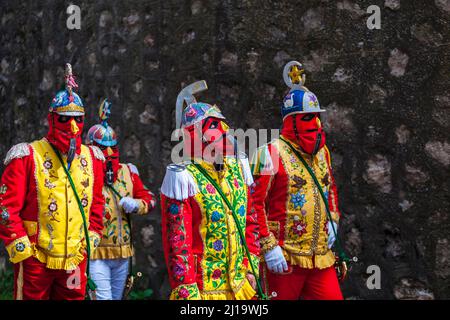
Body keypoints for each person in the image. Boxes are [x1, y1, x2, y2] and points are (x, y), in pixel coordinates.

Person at [0, 63, 105, 300]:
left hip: (75, 257)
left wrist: (92, 239)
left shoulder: (93, 159)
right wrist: (23, 250)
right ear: (52, 119)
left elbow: (98, 205)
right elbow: (6, 208)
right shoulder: (27, 156)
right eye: (65, 120)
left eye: (78, 119)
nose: (73, 127)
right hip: (36, 256)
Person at [251, 61, 344, 300]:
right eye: (306, 118)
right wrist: (268, 246)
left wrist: (333, 217)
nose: (314, 124)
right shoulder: (268, 153)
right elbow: (254, 204)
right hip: (284, 256)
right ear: (290, 121)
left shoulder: (323, 152)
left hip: (320, 254)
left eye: (316, 117)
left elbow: (329, 186)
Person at [160, 81, 260, 300]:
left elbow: (251, 220)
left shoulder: (238, 168)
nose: (224, 132)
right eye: (213, 126)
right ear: (195, 135)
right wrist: (187, 290)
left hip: (242, 285)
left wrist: (252, 266)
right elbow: (178, 242)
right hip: (204, 291)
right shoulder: (182, 177)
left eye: (222, 125)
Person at [86, 98, 156, 300]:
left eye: (113, 148)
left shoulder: (128, 172)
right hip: (96, 253)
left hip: (124, 254)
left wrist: (137, 205)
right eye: (102, 148)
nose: (108, 154)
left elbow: (149, 199)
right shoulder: (84, 174)